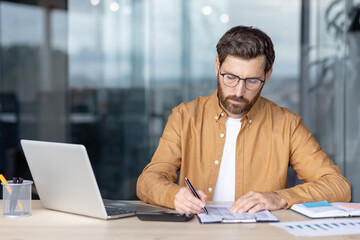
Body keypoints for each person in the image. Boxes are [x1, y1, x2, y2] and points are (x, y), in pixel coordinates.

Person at [136, 25, 351, 214]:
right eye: (230, 77)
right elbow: (148, 181)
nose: (239, 91)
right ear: (217, 67)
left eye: (252, 81)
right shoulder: (185, 117)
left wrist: (279, 197)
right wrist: (174, 195)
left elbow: (338, 186)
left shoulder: (287, 124)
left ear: (267, 76)